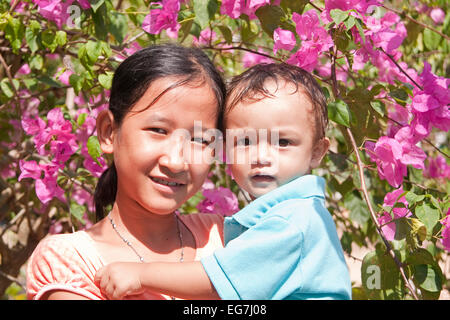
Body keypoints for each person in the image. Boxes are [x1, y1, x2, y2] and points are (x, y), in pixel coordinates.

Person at [94, 63, 352, 300]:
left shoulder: (292, 221)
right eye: (245, 142)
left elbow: (217, 282)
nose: (261, 157)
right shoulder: (287, 213)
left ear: (317, 151)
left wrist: (142, 274)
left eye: (283, 142)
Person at [26, 43, 228, 300]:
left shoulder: (224, 236)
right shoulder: (68, 262)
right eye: (158, 130)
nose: (176, 162)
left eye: (200, 140)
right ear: (109, 132)